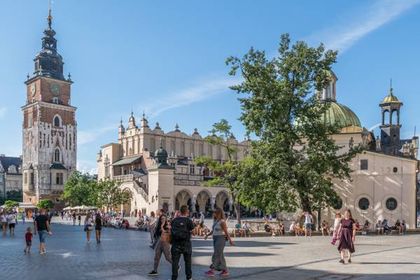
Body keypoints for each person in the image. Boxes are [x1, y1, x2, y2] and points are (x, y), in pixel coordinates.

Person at [204, 208, 234, 277]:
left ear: (218, 213)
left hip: (221, 239)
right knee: (220, 255)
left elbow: (226, 232)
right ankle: (225, 270)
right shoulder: (215, 221)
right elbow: (213, 231)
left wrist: (230, 240)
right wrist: (207, 235)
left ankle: (212, 270)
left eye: (214, 212)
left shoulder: (222, 222)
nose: (213, 214)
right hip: (215, 238)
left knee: (216, 254)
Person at [170, 205, 195, 280]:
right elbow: (193, 232)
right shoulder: (189, 221)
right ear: (187, 211)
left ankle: (174, 278)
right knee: (188, 262)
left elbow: (171, 230)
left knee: (175, 263)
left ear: (180, 211)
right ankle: (189, 277)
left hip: (176, 244)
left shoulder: (174, 220)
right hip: (186, 244)